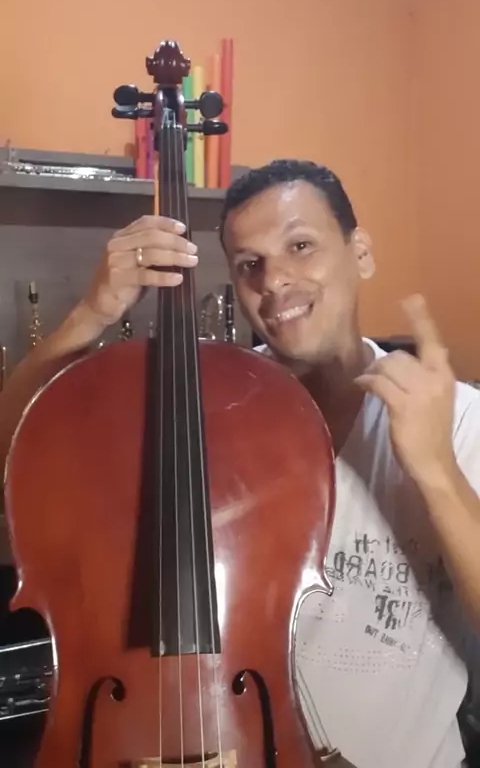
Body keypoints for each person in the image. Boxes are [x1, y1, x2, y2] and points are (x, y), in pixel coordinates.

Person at [0, 158, 479, 768]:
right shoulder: (211, 401)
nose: (274, 281)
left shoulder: (457, 418)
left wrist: (435, 469)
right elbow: (19, 443)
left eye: (300, 246)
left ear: (360, 252)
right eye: (250, 263)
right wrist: (91, 313)